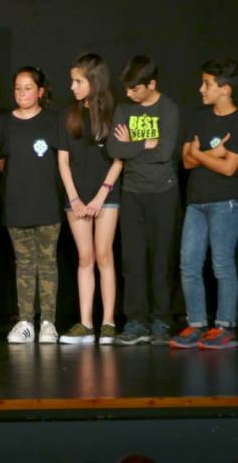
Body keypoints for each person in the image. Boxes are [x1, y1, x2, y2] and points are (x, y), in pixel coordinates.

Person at [107, 56, 180, 346]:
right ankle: (136, 321)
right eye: (127, 88)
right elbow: (114, 148)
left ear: (151, 84)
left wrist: (131, 146)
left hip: (162, 192)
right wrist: (144, 144)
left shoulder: (168, 109)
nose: (129, 93)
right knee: (133, 260)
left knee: (161, 260)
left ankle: (161, 320)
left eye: (135, 88)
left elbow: (164, 153)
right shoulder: (124, 108)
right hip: (132, 192)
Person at [170, 58, 238, 350]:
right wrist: (215, 152)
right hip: (195, 202)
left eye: (207, 84)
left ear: (225, 89)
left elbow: (230, 168)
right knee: (189, 264)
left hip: (225, 202)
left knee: (222, 264)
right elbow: (186, 161)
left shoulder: (236, 120)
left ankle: (224, 326)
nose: (201, 89)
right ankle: (196, 324)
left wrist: (201, 154)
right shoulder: (199, 117)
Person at [57, 53, 122, 345]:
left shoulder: (114, 113)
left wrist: (100, 196)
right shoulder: (68, 115)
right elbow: (63, 161)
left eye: (78, 81)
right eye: (72, 81)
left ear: (94, 81)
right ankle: (85, 323)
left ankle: (107, 322)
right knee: (85, 257)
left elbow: (119, 160)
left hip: (105, 196)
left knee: (104, 255)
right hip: (77, 199)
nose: (73, 86)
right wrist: (75, 199)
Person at [0, 67, 60, 344]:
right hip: (16, 203)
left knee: (47, 262)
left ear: (40, 92)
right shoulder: (5, 122)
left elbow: (63, 159)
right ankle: (25, 321)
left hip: (47, 203)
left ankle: (48, 322)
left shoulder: (53, 121)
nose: (22, 93)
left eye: (28, 88)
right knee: (23, 263)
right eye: (18, 88)